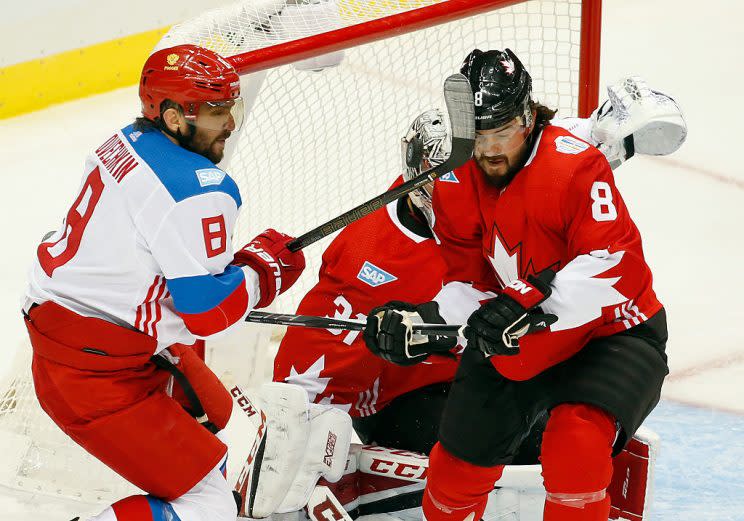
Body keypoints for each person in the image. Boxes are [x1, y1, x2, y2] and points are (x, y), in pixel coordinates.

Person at [363, 49, 671, 521]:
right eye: (479, 133)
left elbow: (615, 266)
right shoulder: (455, 180)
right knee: (453, 476)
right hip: (524, 337)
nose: (489, 148)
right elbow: (470, 283)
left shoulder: (574, 165)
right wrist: (423, 320)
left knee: (576, 446)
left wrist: (524, 304)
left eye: (502, 132)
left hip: (611, 334)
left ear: (528, 118)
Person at [22, 44, 305, 521]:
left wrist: (237, 270)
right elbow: (208, 315)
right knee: (210, 505)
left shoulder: (124, 141)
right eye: (216, 112)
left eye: (229, 107)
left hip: (79, 341)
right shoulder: (197, 190)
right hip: (96, 377)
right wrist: (261, 274)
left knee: (222, 431)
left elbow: (158, 253)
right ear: (174, 118)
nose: (230, 124)